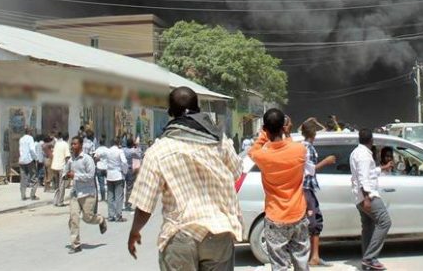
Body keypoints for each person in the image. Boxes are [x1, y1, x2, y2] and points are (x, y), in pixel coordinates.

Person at [127, 87, 242, 270]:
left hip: (180, 235)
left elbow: (145, 203)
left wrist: (135, 231)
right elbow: (236, 172)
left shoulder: (158, 150)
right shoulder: (220, 141)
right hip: (219, 233)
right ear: (198, 109)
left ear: (170, 113)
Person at [248, 109, 309, 270]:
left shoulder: (262, 156)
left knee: (279, 265)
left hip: (275, 217)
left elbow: (252, 151)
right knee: (301, 261)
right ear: (284, 127)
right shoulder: (300, 150)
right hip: (298, 214)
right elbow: (293, 147)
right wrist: (287, 134)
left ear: (265, 129)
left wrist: (263, 134)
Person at [350, 128, 393, 271]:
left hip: (360, 197)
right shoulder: (364, 155)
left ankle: (366, 260)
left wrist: (383, 168)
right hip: (368, 196)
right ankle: (370, 258)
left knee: (368, 227)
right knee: (385, 222)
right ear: (371, 140)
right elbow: (363, 178)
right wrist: (367, 198)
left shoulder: (357, 152)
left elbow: (369, 173)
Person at [301, 119, 336, 267]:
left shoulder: (303, 144)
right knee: (314, 221)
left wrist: (312, 121)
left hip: (308, 188)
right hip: (306, 188)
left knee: (314, 220)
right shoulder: (307, 148)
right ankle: (313, 257)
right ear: (313, 133)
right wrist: (326, 161)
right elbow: (310, 169)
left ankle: (314, 256)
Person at [65, 136, 107, 253]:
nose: (73, 146)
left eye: (75, 144)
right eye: (72, 144)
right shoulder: (71, 160)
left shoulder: (87, 159)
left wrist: (75, 176)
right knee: (73, 218)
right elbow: (66, 170)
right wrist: (66, 175)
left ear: (81, 145)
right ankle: (76, 245)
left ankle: (100, 220)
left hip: (87, 193)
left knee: (87, 218)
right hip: (75, 193)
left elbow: (90, 176)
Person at [103, 137, 128, 222]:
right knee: (119, 196)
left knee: (110, 196)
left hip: (109, 175)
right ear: (118, 143)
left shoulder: (107, 151)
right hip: (118, 175)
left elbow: (105, 162)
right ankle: (118, 215)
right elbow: (124, 162)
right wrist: (125, 171)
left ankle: (111, 215)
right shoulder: (119, 151)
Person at [18, 127, 39, 201]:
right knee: (34, 178)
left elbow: (20, 150)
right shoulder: (30, 138)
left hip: (22, 160)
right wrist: (36, 158)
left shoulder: (21, 139)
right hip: (29, 160)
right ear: (30, 132)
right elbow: (32, 149)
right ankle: (32, 195)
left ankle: (23, 196)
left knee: (23, 178)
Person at [52, 133, 71, 207]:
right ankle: (60, 201)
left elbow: (54, 154)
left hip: (54, 166)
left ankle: (55, 201)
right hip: (61, 166)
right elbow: (67, 157)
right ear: (67, 138)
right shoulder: (66, 144)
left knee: (57, 185)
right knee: (62, 185)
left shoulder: (57, 144)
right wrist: (68, 167)